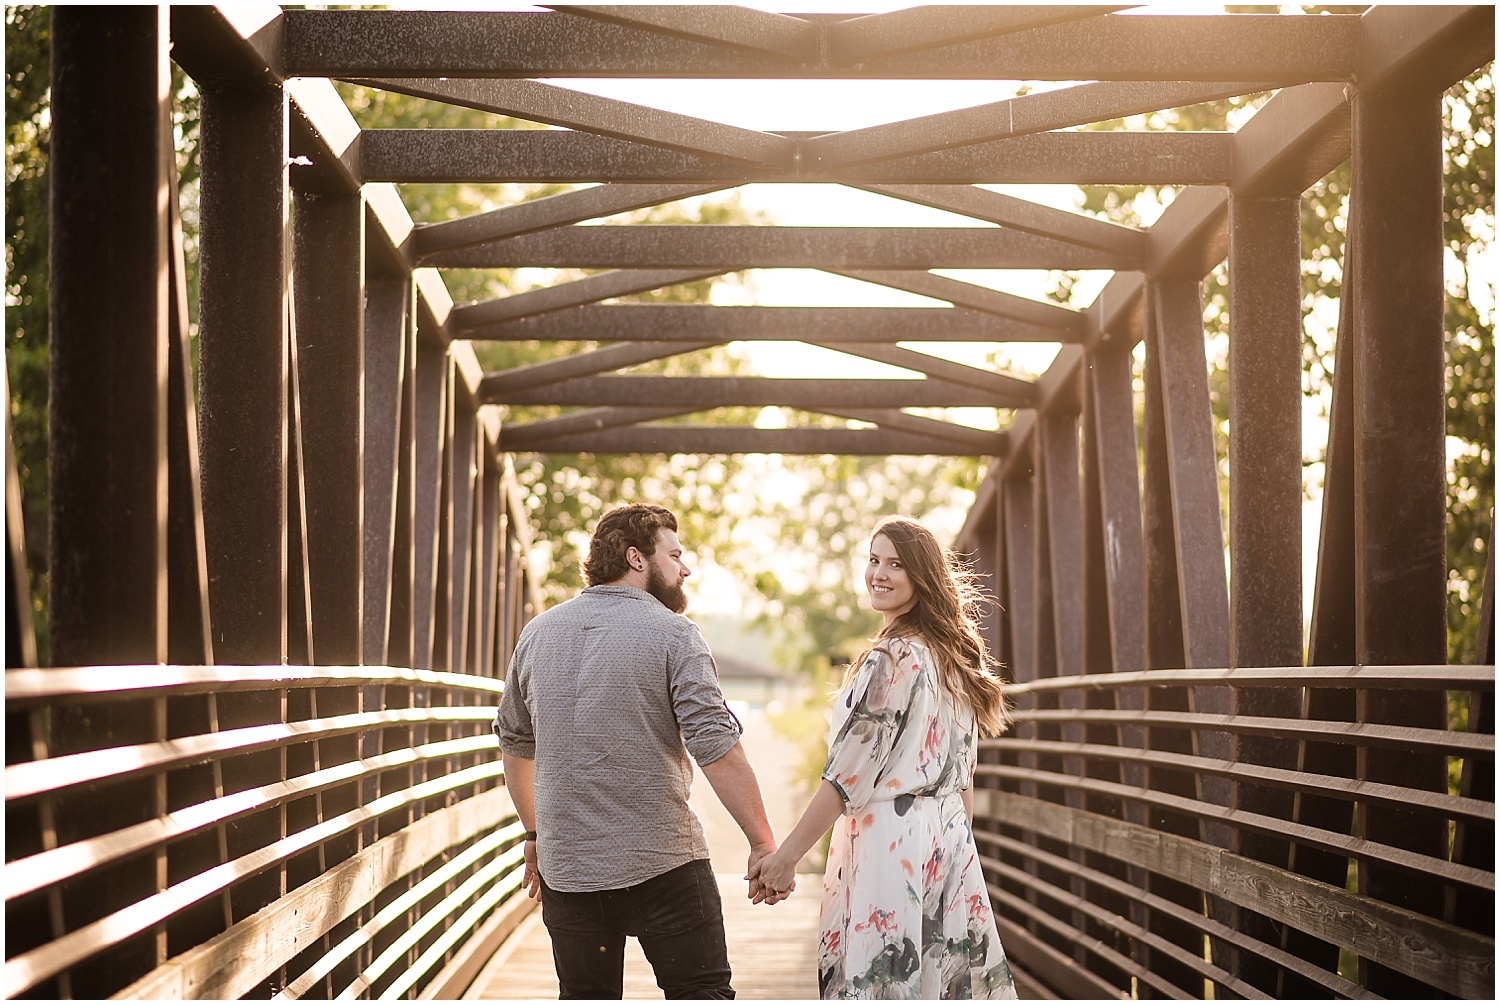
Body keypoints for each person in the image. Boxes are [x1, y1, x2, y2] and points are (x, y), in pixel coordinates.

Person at [494, 503, 788, 1000]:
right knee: (701, 994)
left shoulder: (538, 633)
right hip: (664, 867)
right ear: (637, 558)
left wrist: (535, 833)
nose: (685, 568)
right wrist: (762, 843)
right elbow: (717, 747)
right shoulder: (675, 634)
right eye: (674, 555)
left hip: (568, 871)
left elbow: (516, 744)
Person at [748, 515, 1018, 1000]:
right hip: (949, 842)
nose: (879, 573)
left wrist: (787, 857)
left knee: (884, 984)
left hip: (891, 847)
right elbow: (963, 780)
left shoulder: (892, 659)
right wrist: (955, 851)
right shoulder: (952, 659)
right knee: (938, 984)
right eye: (873, 560)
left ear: (922, 575)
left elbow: (846, 777)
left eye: (896, 564)